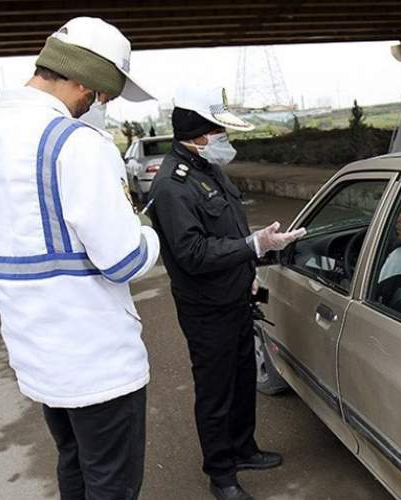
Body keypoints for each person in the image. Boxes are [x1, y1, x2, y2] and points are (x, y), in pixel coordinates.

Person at [0, 17, 158, 500]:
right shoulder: (77, 145)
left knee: (75, 465)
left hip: (37, 362)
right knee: (113, 483)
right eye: (103, 94)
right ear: (82, 78)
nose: (100, 106)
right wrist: (149, 235)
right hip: (101, 367)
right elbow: (125, 261)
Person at [148, 83, 305, 500]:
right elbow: (193, 252)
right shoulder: (172, 185)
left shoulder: (208, 169)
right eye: (220, 132)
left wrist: (250, 263)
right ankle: (221, 475)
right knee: (215, 391)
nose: (225, 141)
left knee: (241, 378)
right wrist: (253, 246)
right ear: (199, 136)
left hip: (236, 295)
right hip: (206, 309)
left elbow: (229, 229)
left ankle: (243, 448)